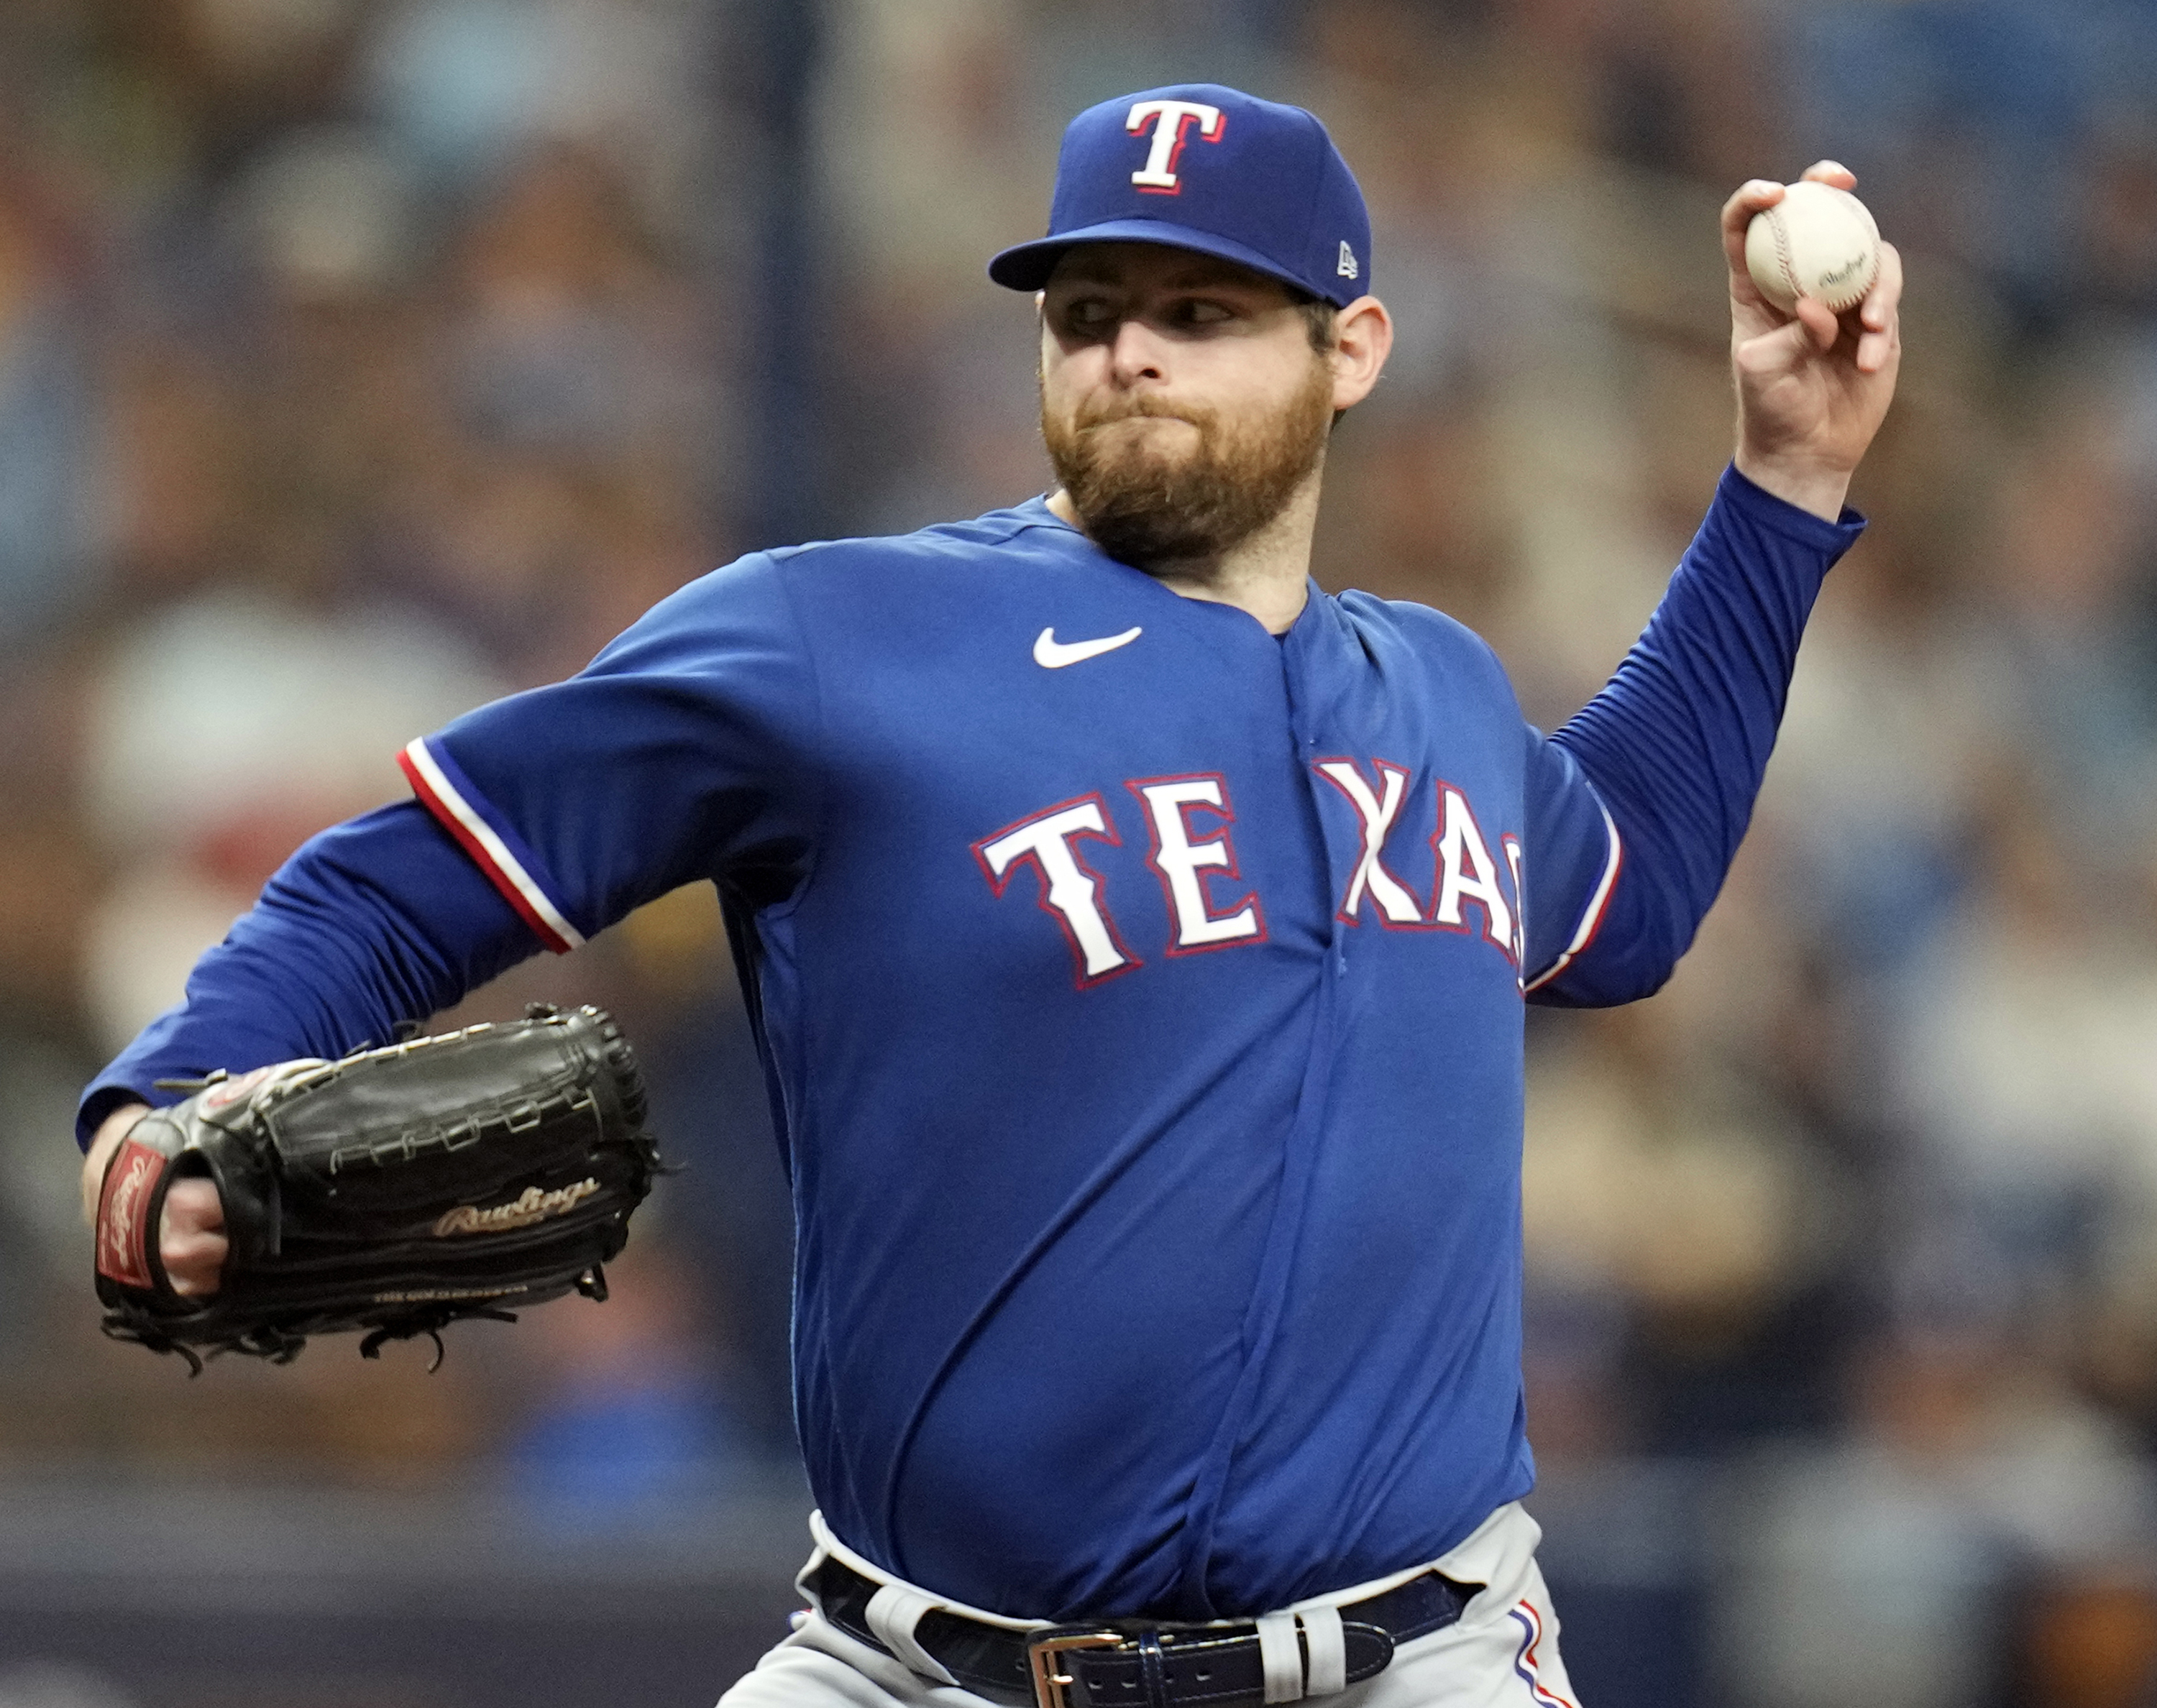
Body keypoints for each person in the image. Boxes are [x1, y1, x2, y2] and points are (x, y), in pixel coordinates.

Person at [76, 85, 1900, 1708]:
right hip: (919, 1667)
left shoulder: (1438, 695)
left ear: (1352, 349)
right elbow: (400, 888)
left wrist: (1787, 479)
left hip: (1419, 1657)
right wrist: (165, 1098)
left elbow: (1633, 889)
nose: (1132, 355)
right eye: (1090, 313)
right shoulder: (837, 640)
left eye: (1203, 311)